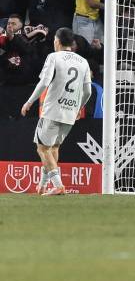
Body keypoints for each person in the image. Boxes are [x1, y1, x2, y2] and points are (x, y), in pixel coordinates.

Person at [20, 28, 92, 196]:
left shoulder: (53, 57)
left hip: (52, 110)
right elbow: (88, 91)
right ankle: (43, 185)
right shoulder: (83, 62)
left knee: (42, 149)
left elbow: (44, 82)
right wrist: (78, 108)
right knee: (53, 148)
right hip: (70, 112)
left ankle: (58, 185)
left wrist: (29, 101)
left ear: (57, 41)